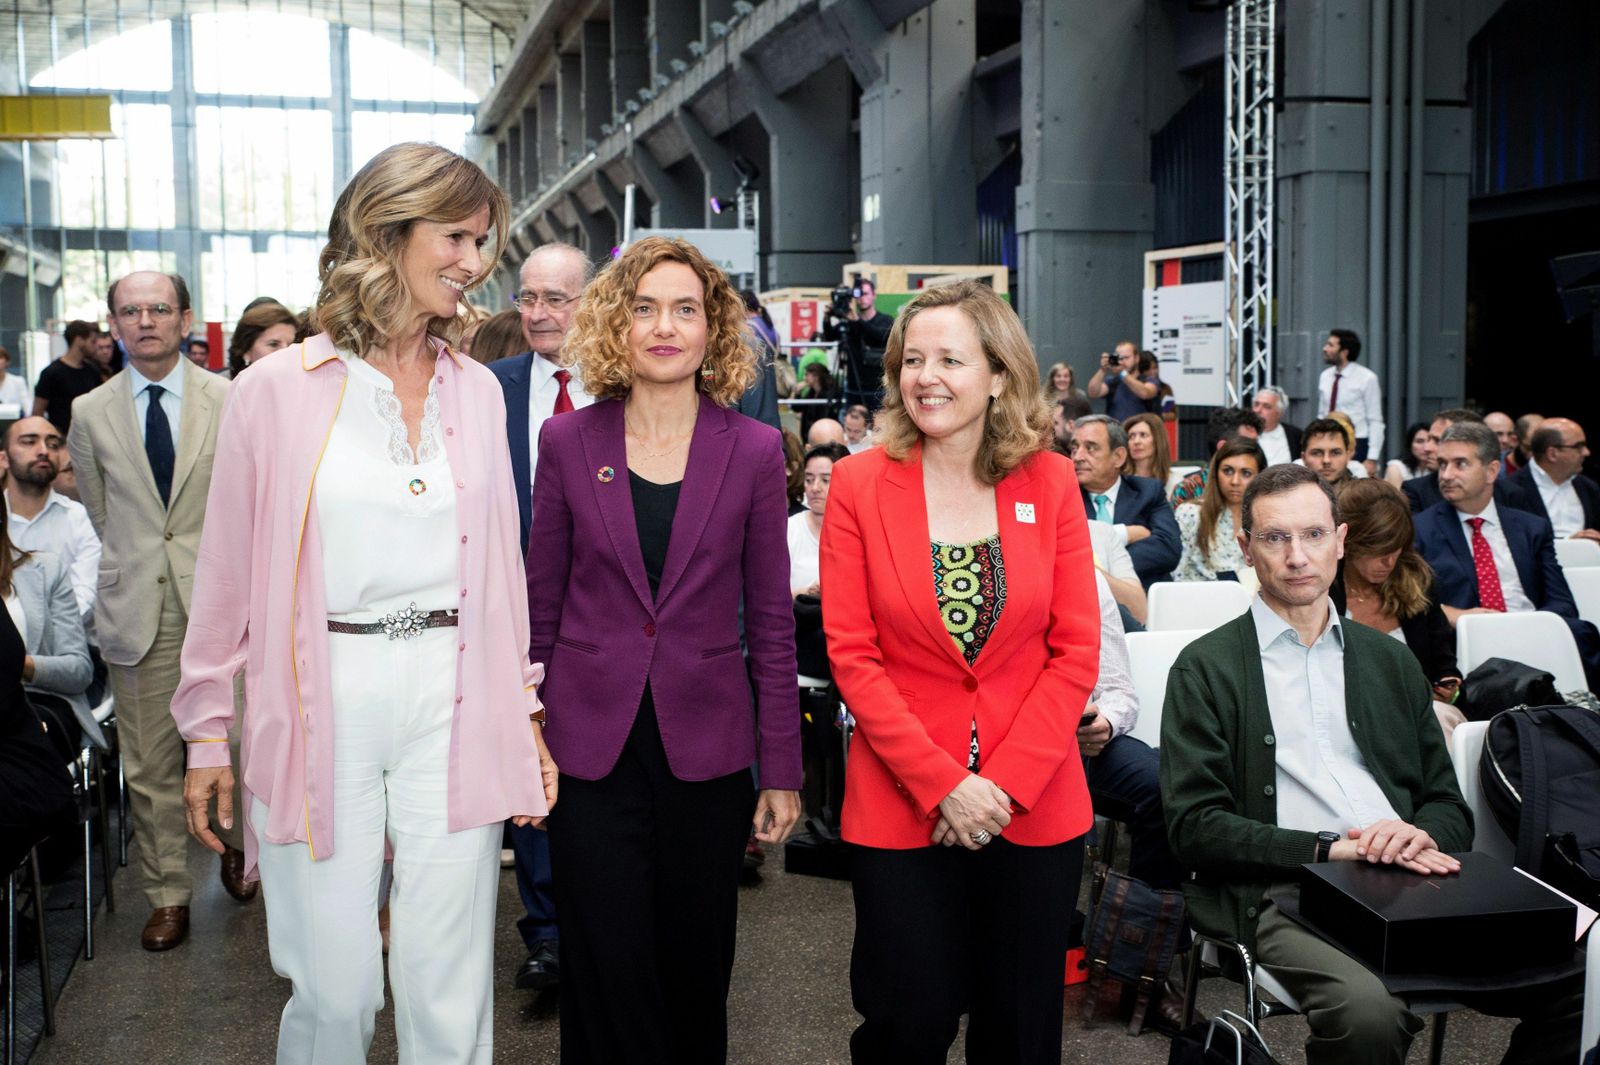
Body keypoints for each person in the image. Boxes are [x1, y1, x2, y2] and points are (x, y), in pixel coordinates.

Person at [172, 143, 555, 1064]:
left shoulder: (479, 393)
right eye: (457, 236)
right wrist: (207, 730)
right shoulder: (273, 390)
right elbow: (224, 572)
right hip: (322, 695)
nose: (475, 261)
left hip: (453, 696)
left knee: (450, 980)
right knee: (335, 988)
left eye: (482, 240)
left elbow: (504, 573)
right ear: (388, 233)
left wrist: (527, 714)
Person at [1161, 462, 1583, 1065]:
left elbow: (1448, 806)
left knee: (1582, 977)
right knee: (1370, 1012)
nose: (1297, 556)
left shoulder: (1389, 660)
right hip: (1289, 888)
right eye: (1276, 538)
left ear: (1339, 540)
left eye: (1312, 535)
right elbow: (1195, 828)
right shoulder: (1206, 668)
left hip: (1412, 874)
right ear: (1248, 550)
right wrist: (1335, 847)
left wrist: (1416, 833)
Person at [526, 235, 801, 1065]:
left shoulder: (752, 451)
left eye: (686, 309)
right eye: (644, 307)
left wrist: (781, 765)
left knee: (694, 961)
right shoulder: (568, 442)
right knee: (603, 961)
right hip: (587, 745)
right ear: (616, 322)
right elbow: (539, 606)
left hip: (707, 748)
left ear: (713, 328)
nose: (664, 326)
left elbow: (772, 621)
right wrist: (527, 730)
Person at [820, 279, 1097, 1064]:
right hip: (902, 806)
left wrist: (999, 787)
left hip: (1033, 804)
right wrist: (945, 784)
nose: (926, 376)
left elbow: (1074, 650)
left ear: (1001, 373)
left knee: (1018, 1029)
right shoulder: (858, 484)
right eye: (913, 359)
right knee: (908, 1021)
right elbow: (853, 654)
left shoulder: (1049, 481)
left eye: (951, 358)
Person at [68, 270, 250, 952]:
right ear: (113, 322)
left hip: (220, 601)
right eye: (130, 310)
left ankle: (236, 848)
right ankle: (168, 893)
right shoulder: (89, 411)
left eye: (158, 309)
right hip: (137, 602)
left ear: (185, 318)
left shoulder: (228, 398)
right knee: (147, 762)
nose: (144, 320)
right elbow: (101, 507)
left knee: (232, 743)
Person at [487, 239, 596, 993]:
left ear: (592, 304)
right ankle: (548, 932)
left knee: (593, 764)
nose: (537, 313)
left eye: (555, 298)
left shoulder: (625, 389)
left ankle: (601, 919)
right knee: (527, 763)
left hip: (601, 609)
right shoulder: (487, 389)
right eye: (527, 298)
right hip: (511, 606)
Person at [1414, 421, 1600, 686]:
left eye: (1460, 464)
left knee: (1581, 633)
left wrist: (1523, 628)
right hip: (1467, 645)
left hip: (1535, 636)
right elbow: (1409, 603)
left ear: (1491, 471)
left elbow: (1562, 603)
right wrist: (1453, 614)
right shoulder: (1420, 530)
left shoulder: (1531, 528)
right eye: (1443, 464)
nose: (1446, 475)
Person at [1331, 480, 1466, 742]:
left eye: (1396, 549)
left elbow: (1443, 663)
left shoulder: (1416, 582)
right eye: (1378, 550)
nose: (1389, 561)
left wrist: (1449, 685)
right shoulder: (1322, 591)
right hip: (1345, 717)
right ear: (1349, 542)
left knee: (1441, 719)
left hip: (1417, 715)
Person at [2, 417, 101, 624]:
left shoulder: (80, 518)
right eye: (29, 442)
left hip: (66, 642)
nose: (43, 451)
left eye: (52, 444)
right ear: (4, 459)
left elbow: (85, 597)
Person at [1072, 414, 1181, 588]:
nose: (1078, 457)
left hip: (1143, 606)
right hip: (1084, 604)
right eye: (1075, 448)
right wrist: (1124, 534)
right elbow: (1065, 557)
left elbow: (1168, 549)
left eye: (1090, 448)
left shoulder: (1148, 491)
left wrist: (1100, 564)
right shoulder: (1066, 498)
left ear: (1118, 457)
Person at [1174, 438, 1265, 582]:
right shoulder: (1190, 513)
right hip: (1197, 599)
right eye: (1227, 471)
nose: (1235, 481)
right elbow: (1177, 574)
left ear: (1259, 477)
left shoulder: (1267, 520)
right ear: (1216, 473)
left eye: (1246, 473)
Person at [1504, 417, 1600, 542]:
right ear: (1552, 454)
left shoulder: (1589, 488)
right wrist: (1570, 547)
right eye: (1579, 446)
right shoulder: (1509, 491)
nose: (1586, 452)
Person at [1317, 328, 1383, 474]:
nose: (1325, 348)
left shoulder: (1367, 378)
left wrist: (1372, 458)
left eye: (1331, 345)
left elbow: (1375, 420)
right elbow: (1321, 414)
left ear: (1344, 352)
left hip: (1357, 442)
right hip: (1328, 438)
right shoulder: (1325, 376)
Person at [1170, 407, 1264, 504]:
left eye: (1256, 444)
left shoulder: (1260, 490)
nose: (1256, 451)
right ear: (1223, 447)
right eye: (1248, 445)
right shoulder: (1188, 490)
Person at [34, 319, 103, 434]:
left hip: (90, 438)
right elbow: (37, 413)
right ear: (79, 341)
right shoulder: (51, 373)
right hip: (61, 440)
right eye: (93, 341)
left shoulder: (93, 371)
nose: (96, 346)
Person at [837, 275, 894, 410]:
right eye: (859, 294)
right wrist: (827, 319)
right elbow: (830, 336)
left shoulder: (885, 320)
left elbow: (881, 336)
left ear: (874, 295)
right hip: (853, 387)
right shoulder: (849, 322)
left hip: (877, 388)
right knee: (853, 427)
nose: (862, 298)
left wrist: (857, 320)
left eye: (866, 293)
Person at [1087, 340, 1159, 420]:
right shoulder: (1113, 381)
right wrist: (1102, 369)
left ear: (1137, 358)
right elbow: (1093, 392)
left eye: (1126, 357)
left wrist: (1122, 373)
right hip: (1116, 430)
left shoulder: (1149, 380)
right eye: (1120, 358)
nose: (1123, 362)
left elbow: (1145, 393)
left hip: (1139, 429)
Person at [226, 299, 298, 378]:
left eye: (292, 345)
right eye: (274, 344)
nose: (286, 352)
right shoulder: (224, 387)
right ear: (246, 351)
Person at [1301, 417, 1359, 487]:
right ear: (1304, 458)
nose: (1326, 460)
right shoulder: (1290, 496)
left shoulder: (1364, 496)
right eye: (1316, 453)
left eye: (1335, 453)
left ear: (1348, 456)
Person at [1252, 386, 1301, 466]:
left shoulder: (1295, 436)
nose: (1258, 410)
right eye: (1256, 405)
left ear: (1279, 413)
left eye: (1266, 406)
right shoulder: (1242, 433)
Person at [1122, 411, 1171, 488]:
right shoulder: (1118, 481)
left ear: (1157, 440)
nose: (1136, 441)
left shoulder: (1175, 482)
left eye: (1143, 435)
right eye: (1131, 436)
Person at [794, 362, 839, 442]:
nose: (805, 378)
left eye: (807, 375)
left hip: (822, 436)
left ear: (816, 376)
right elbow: (797, 408)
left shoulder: (828, 395)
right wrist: (797, 392)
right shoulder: (811, 393)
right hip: (809, 436)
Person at [1384, 420, 1434, 486]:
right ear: (1410, 444)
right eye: (1420, 441)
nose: (1426, 447)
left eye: (1429, 441)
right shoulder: (1397, 468)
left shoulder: (1435, 467)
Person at [1504, 412, 1544, 478]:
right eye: (1529, 448)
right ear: (1515, 440)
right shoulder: (1498, 470)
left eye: (1542, 448)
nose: (1534, 455)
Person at [0, 344, 34, 415]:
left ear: (7, 361)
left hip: (14, 422)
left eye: (0, 357)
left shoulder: (18, 381)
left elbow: (28, 406)